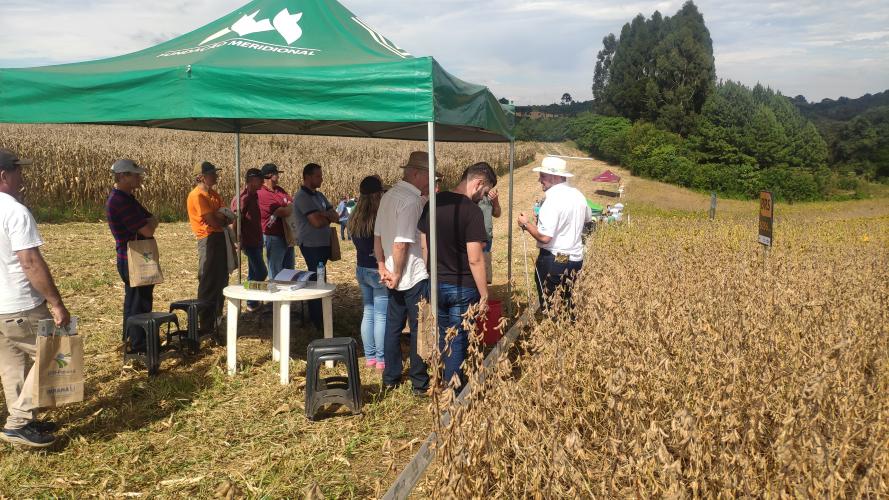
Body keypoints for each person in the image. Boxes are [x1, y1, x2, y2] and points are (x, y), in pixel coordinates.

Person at [0, 149, 70, 448]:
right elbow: (29, 261)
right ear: (4, 176)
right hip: (20, 304)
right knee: (55, 354)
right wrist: (55, 302)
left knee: (12, 365)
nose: (22, 176)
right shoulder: (14, 211)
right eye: (18, 171)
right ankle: (17, 422)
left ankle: (22, 422)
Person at [418, 162, 495, 388]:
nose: (483, 198)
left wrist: (429, 272)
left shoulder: (434, 202)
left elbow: (425, 244)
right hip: (462, 287)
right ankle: (454, 391)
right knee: (459, 338)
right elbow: (475, 258)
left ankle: (443, 381)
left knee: (444, 336)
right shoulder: (471, 211)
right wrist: (484, 294)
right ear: (478, 183)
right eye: (484, 192)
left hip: (436, 282)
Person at [374, 151, 431, 396]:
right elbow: (402, 243)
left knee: (393, 327)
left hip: (390, 273)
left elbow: (377, 236)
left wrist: (381, 267)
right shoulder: (410, 201)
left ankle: (391, 377)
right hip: (411, 275)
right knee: (419, 328)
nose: (430, 181)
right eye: (428, 175)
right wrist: (396, 273)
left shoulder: (388, 196)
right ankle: (419, 382)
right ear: (417, 174)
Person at [517, 156, 591, 313]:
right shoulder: (578, 195)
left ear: (556, 176)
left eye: (543, 176)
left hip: (556, 258)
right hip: (575, 259)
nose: (539, 180)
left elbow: (545, 237)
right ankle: (567, 332)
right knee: (566, 301)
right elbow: (587, 219)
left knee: (549, 304)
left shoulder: (552, 200)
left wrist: (525, 223)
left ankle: (551, 332)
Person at [106, 159, 158, 353]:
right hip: (133, 259)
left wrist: (150, 222)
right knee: (139, 303)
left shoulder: (128, 198)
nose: (139, 177)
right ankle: (139, 346)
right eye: (135, 174)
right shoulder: (120, 201)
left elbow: (151, 218)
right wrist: (150, 224)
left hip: (133, 257)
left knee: (133, 301)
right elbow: (147, 229)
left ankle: (130, 339)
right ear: (122, 176)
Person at [187, 161, 232, 337]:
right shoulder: (197, 195)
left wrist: (221, 217)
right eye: (212, 173)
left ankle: (217, 319)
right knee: (208, 281)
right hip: (208, 239)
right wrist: (221, 218)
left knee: (222, 279)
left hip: (220, 238)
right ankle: (205, 324)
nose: (216, 175)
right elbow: (214, 221)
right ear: (201, 177)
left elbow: (227, 215)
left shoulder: (213, 194)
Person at [348, 176, 388, 372]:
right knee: (381, 316)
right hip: (377, 269)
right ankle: (381, 359)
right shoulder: (379, 215)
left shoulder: (355, 215)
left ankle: (370, 356)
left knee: (368, 312)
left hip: (361, 268)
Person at [292, 163, 339, 330]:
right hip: (311, 245)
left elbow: (336, 215)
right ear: (308, 177)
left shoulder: (319, 196)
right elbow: (317, 222)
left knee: (320, 278)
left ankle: (319, 315)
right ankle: (316, 319)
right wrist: (326, 216)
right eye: (318, 176)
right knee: (316, 279)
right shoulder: (302, 197)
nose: (322, 178)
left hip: (322, 244)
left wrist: (324, 214)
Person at [232, 168, 267, 312]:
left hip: (257, 240)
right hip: (249, 242)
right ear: (252, 180)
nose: (263, 182)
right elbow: (235, 221)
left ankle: (252, 303)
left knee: (254, 273)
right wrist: (236, 240)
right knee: (261, 272)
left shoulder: (255, 196)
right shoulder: (242, 198)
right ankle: (250, 296)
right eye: (260, 179)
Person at [257, 163, 294, 280]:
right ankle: (275, 297)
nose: (278, 176)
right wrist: (287, 208)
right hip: (273, 237)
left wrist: (287, 208)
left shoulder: (279, 190)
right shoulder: (262, 193)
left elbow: (291, 204)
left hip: (287, 235)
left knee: (289, 270)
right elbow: (283, 211)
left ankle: (287, 297)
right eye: (277, 174)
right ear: (269, 175)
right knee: (276, 271)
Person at [476, 170, 501, 284]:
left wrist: (495, 201)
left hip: (487, 237)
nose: (490, 189)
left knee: (484, 271)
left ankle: (484, 294)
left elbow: (497, 214)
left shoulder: (489, 197)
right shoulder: (473, 195)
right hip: (474, 238)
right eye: (489, 185)